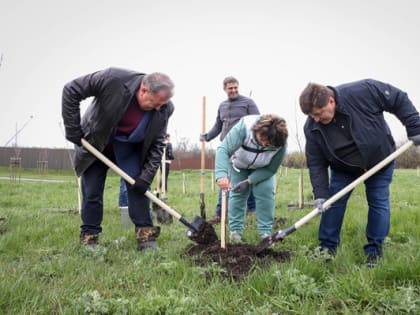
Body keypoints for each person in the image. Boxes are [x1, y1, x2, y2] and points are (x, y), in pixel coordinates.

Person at [299, 79, 420, 267]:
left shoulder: (363, 91)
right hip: (343, 168)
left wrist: (414, 126)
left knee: (378, 201)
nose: (315, 119)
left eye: (318, 113)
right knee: (333, 203)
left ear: (331, 101)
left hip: (379, 160)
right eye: (311, 115)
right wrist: (321, 194)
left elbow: (397, 99)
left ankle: (374, 251)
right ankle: (326, 248)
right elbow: (316, 163)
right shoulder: (312, 127)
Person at [62, 67, 175, 251]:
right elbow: (71, 89)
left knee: (138, 187)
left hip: (129, 147)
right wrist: (73, 128)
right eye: (154, 103)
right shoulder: (113, 79)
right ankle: (90, 239)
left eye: (161, 105)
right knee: (92, 192)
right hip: (96, 143)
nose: (158, 109)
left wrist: (146, 177)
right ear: (143, 89)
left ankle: (146, 238)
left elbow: (156, 144)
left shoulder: (165, 108)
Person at [215, 114, 288, 242]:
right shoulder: (244, 128)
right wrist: (221, 175)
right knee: (237, 195)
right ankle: (235, 233)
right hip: (239, 165)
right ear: (257, 130)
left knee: (266, 193)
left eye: (269, 143)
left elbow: (271, 169)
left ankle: (265, 234)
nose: (264, 143)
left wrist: (249, 181)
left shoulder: (280, 143)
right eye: (262, 138)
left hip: (263, 169)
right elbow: (223, 149)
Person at [201, 76, 260, 224]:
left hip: (244, 148)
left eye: (236, 87)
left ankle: (252, 209)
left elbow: (258, 122)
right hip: (227, 148)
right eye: (230, 88)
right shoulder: (222, 106)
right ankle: (221, 213)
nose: (233, 90)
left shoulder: (248, 103)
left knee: (247, 177)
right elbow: (218, 126)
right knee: (225, 179)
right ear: (224, 89)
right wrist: (207, 137)